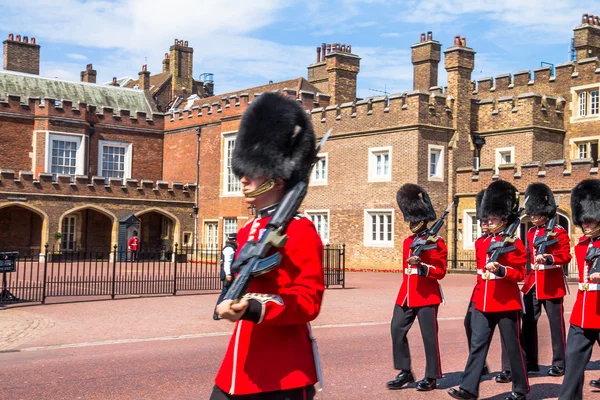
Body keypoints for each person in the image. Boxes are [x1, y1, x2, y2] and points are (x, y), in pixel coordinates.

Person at [211, 92, 325, 400]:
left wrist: (256, 308)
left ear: (275, 178)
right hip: (239, 365)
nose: (244, 179)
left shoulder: (300, 230)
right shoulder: (249, 228)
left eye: (253, 171)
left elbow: (308, 301)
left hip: (281, 372)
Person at [448, 180, 529, 400]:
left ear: (503, 219)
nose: (488, 222)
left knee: (513, 347)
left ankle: (520, 389)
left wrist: (502, 270)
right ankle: (469, 389)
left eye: (492, 219)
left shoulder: (514, 243)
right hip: (483, 301)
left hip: (505, 302)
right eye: (487, 218)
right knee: (477, 345)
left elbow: (520, 274)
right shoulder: (481, 243)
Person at [387, 183, 447, 392]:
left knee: (429, 337)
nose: (412, 223)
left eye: (415, 219)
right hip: (406, 294)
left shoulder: (437, 242)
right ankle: (405, 371)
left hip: (427, 295)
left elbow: (440, 272)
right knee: (396, 328)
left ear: (423, 219)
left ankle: (431, 376)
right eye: (410, 219)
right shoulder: (407, 242)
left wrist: (422, 266)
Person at [520, 183, 571, 377]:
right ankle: (530, 362)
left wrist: (549, 258)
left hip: (551, 283)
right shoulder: (532, 232)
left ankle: (560, 363)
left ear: (544, 211)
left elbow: (566, 256)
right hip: (533, 282)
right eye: (531, 213)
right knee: (528, 322)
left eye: (535, 213)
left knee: (555, 325)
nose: (532, 216)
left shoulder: (558, 231)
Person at [558, 179, 600, 399]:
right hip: (582, 313)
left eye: (590, 220)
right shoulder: (582, 245)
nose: (585, 224)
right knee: (573, 363)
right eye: (583, 221)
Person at [463, 190, 511, 382]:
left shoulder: (508, 241)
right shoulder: (481, 242)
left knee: (508, 334)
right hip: (481, 291)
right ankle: (478, 365)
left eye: (488, 220)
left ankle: (509, 369)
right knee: (471, 324)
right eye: (483, 220)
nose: (484, 223)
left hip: (502, 293)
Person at [213, 233, 238, 320]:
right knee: (225, 292)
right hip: (228, 274)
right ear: (234, 240)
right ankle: (216, 312)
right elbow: (227, 262)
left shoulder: (232, 248)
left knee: (232, 293)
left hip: (230, 273)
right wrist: (228, 274)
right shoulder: (229, 249)